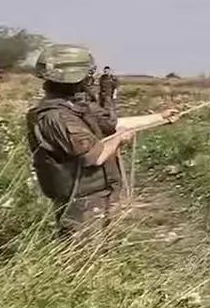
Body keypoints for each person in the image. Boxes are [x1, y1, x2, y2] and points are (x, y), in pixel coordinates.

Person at [25, 44, 177, 236]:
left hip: (96, 197)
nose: (91, 78)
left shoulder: (72, 107)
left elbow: (113, 124)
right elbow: (94, 156)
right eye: (88, 73)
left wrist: (161, 117)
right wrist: (119, 139)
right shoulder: (56, 116)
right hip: (81, 203)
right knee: (81, 261)